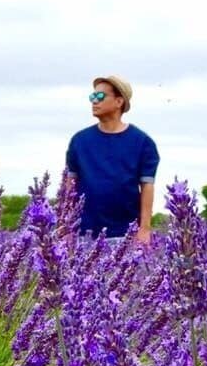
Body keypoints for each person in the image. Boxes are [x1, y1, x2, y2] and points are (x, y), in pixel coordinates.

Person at [65, 75, 160, 243]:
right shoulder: (79, 141)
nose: (94, 101)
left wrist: (144, 229)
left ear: (119, 101)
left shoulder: (143, 142)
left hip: (125, 234)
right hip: (83, 234)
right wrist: (66, 227)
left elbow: (147, 186)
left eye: (100, 96)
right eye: (92, 97)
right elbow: (68, 186)